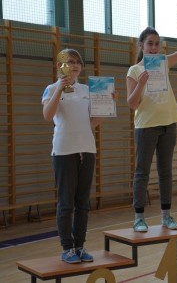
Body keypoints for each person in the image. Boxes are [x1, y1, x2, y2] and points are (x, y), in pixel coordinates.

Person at [42, 48, 117, 264]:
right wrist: (60, 87)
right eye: (70, 61)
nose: (74, 65)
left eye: (78, 62)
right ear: (60, 66)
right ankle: (67, 248)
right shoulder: (50, 88)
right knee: (66, 203)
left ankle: (80, 246)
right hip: (64, 151)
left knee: (83, 202)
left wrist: (110, 103)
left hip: (87, 149)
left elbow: (92, 122)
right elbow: (48, 115)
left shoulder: (87, 89)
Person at [126, 12, 177, 232]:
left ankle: (166, 215)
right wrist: (140, 84)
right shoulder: (134, 70)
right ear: (141, 45)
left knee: (166, 170)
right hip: (146, 126)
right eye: (150, 44)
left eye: (157, 44)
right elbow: (132, 104)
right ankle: (138, 217)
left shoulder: (163, 63)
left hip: (168, 122)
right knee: (142, 171)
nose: (154, 48)